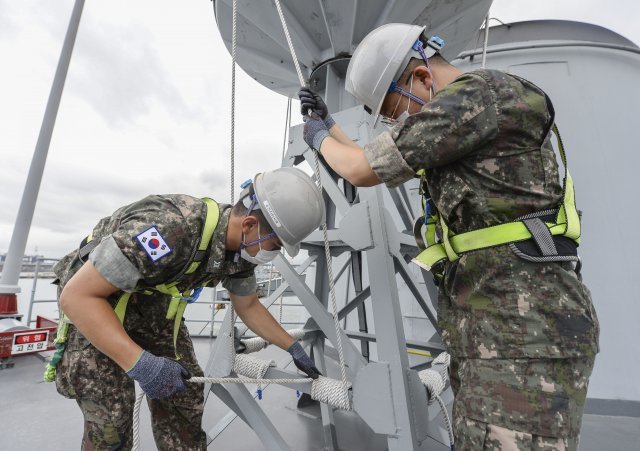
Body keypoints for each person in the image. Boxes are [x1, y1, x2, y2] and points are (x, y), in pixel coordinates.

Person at [299, 23, 599, 450]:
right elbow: (370, 161)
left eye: (399, 112)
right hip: (493, 332)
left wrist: (317, 141)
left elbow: (360, 170)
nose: (403, 124)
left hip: (523, 337)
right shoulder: (459, 127)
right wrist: (329, 127)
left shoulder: (477, 97)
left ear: (422, 77)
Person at [49, 167, 324, 450]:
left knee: (184, 395)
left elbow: (249, 305)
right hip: (97, 301)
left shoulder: (240, 253)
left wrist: (291, 346)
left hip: (149, 305)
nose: (273, 253)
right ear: (249, 224)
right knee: (112, 418)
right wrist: (141, 364)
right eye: (275, 244)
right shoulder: (170, 228)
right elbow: (77, 297)